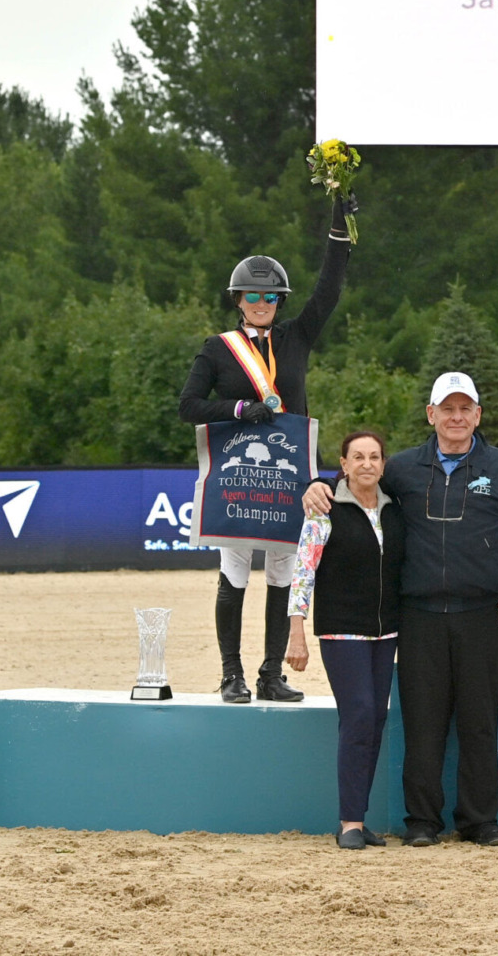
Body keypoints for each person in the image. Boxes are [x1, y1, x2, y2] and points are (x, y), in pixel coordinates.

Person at [308, 371, 498, 848]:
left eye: (465, 408)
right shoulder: (402, 469)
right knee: (422, 720)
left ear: (478, 415)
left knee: (479, 721)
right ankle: (422, 820)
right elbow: (358, 479)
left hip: (485, 612)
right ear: (432, 415)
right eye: (448, 408)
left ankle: (479, 819)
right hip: (419, 615)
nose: (457, 417)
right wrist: (316, 485)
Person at [179, 198, 354, 703]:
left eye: (271, 296)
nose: (262, 303)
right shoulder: (217, 348)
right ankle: (231, 674)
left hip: (288, 476)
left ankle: (270, 673)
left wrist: (340, 225)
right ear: (238, 298)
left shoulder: (296, 337)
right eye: (252, 295)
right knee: (235, 572)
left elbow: (329, 289)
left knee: (282, 574)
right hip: (239, 476)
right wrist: (238, 410)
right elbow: (188, 405)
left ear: (279, 301)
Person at [285, 429, 403, 849]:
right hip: (341, 629)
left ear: (383, 464)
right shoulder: (325, 508)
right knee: (359, 716)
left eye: (375, 457)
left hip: (386, 631)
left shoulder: (393, 508)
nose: (367, 464)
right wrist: (295, 631)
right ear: (345, 463)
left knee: (375, 720)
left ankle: (360, 816)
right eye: (359, 457)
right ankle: (349, 822)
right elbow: (303, 570)